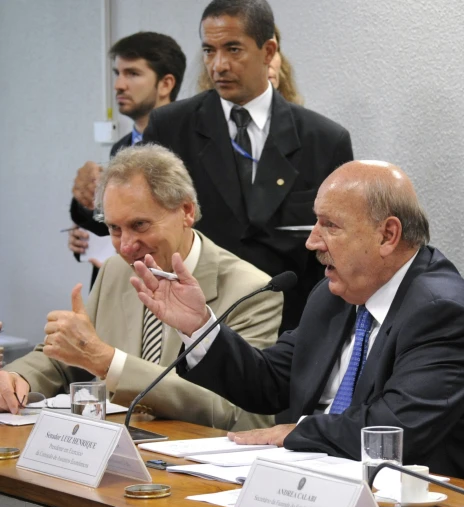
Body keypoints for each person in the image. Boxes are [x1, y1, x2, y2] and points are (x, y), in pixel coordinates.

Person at [131, 160, 464, 486]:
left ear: (388, 235)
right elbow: (269, 383)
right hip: (323, 484)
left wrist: (296, 433)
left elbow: (391, 430)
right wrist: (199, 327)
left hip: (425, 500)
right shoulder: (334, 296)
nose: (312, 241)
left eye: (330, 225)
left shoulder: (443, 312)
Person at [0, 145, 282, 431]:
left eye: (140, 225)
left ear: (186, 211)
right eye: (114, 229)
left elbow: (235, 411)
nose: (125, 246)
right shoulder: (115, 270)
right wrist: (18, 378)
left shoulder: (251, 290)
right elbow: (69, 361)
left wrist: (111, 363)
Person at [144, 0, 353, 333]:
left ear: (268, 51)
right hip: (193, 323)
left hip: (292, 329)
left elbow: (341, 250)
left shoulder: (324, 140)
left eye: (233, 49)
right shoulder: (170, 128)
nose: (218, 65)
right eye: (209, 51)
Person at [69, 32, 186, 284]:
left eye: (132, 74)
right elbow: (115, 222)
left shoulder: (188, 149)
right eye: (117, 73)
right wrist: (87, 210)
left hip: (176, 287)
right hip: (125, 288)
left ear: (166, 84)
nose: (119, 85)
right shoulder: (121, 148)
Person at [197, 24, 303, 106]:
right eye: (235, 50)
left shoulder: (304, 127)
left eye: (270, 51)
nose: (267, 62)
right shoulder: (189, 122)